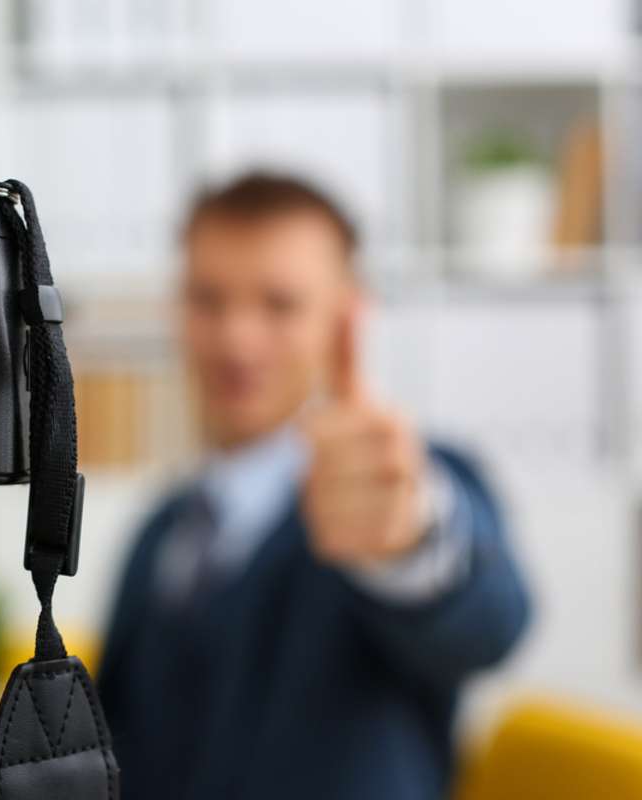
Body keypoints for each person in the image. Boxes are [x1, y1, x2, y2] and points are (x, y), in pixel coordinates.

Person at [97, 172, 530, 799]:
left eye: (280, 304)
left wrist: (408, 544)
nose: (237, 338)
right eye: (208, 299)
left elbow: (491, 622)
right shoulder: (160, 528)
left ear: (346, 316)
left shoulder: (407, 484)